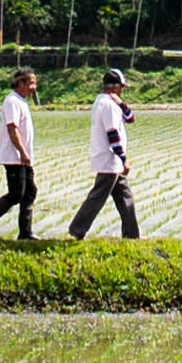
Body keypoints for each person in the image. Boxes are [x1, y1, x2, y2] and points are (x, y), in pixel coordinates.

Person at [64, 66, 141, 239]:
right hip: (110, 159)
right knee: (97, 197)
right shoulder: (108, 105)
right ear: (114, 87)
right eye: (121, 88)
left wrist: (121, 103)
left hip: (109, 159)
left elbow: (131, 118)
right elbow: (112, 133)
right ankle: (77, 229)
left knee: (125, 196)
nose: (122, 91)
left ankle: (131, 235)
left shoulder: (106, 102)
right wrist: (123, 159)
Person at [0, 65, 42, 243]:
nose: (34, 87)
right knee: (16, 194)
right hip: (14, 157)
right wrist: (23, 152)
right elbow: (12, 130)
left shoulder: (21, 101)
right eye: (31, 83)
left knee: (30, 192)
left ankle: (25, 232)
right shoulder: (12, 101)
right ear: (20, 83)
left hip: (22, 157)